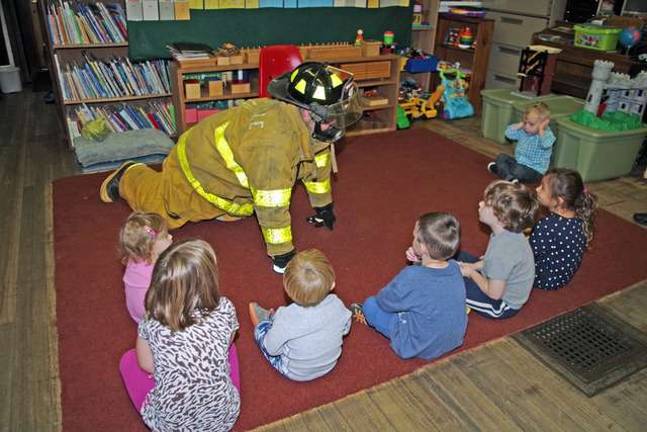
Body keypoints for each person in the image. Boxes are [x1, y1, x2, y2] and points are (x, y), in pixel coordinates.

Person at [99, 62, 362, 273]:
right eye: (332, 117)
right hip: (197, 170)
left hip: (229, 174)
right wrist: (283, 254)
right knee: (166, 213)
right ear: (305, 111)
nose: (337, 124)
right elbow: (272, 205)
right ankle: (129, 175)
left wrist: (322, 204)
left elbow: (317, 164)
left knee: (240, 206)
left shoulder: (312, 130)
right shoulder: (274, 148)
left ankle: (225, 204)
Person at [119, 239, 241, 431]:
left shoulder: (151, 320)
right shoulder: (225, 308)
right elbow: (229, 340)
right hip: (222, 420)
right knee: (230, 348)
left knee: (128, 361)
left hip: (170, 426)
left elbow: (146, 364)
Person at [350, 212, 467, 360]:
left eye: (414, 238)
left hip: (419, 345)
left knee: (370, 304)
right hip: (453, 339)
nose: (412, 240)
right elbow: (430, 286)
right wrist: (419, 261)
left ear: (423, 248)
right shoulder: (454, 267)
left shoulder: (412, 276)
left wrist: (414, 268)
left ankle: (370, 318)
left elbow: (385, 301)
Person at [248, 249, 351, 381]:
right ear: (332, 284)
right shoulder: (338, 304)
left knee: (262, 333)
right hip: (329, 364)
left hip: (295, 372)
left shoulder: (286, 316)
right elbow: (345, 329)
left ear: (288, 291)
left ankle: (266, 323)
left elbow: (272, 349)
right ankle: (275, 324)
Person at [457, 180, 539, 319]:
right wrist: (473, 266)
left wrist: (471, 272)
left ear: (502, 218)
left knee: (447, 283)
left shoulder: (503, 250)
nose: (480, 204)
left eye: (486, 203)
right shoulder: (506, 233)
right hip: (495, 278)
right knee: (455, 255)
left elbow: (494, 294)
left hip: (501, 305)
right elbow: (489, 261)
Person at [531, 168, 597, 290]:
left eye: (542, 187)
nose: (537, 189)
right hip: (563, 276)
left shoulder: (547, 225)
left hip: (543, 278)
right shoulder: (580, 216)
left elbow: (529, 255)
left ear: (559, 200)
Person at [118, 212, 173, 323]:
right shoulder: (158, 270)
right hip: (153, 319)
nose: (171, 237)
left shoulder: (134, 258)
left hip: (136, 314)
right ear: (152, 246)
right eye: (166, 236)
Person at [488, 102, 556, 184]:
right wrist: (520, 124)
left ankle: (501, 171)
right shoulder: (524, 131)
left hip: (535, 171)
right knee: (501, 157)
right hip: (518, 163)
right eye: (525, 122)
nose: (527, 126)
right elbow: (508, 134)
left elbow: (546, 144)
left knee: (518, 170)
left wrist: (541, 130)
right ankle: (508, 177)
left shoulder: (547, 134)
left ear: (543, 124)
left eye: (531, 124)